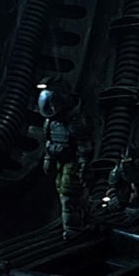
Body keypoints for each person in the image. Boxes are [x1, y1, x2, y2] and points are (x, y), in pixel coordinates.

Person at [38, 83, 92, 239]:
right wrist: (48, 158)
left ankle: (73, 228)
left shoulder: (76, 122)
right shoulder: (51, 122)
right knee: (64, 191)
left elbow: (84, 145)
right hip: (59, 160)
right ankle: (79, 221)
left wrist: (83, 165)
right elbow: (49, 141)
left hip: (72, 161)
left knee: (69, 194)